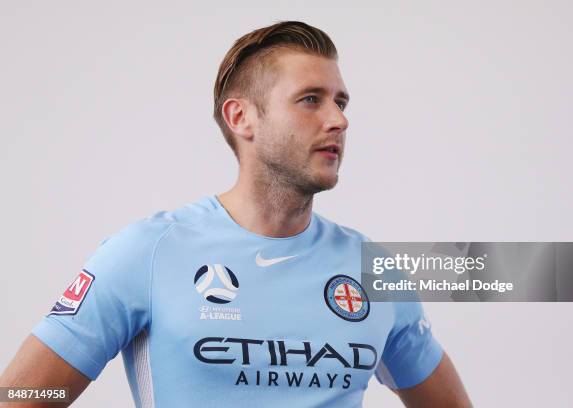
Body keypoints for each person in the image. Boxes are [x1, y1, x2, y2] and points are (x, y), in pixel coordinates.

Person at [0, 21, 471, 407]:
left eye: (340, 102)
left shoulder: (376, 271)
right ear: (241, 117)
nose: (338, 119)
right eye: (311, 99)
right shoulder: (148, 252)